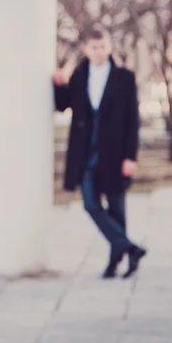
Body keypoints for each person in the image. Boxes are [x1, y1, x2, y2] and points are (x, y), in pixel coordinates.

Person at [53, 27, 147, 279]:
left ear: (109, 47)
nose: (98, 51)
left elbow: (132, 120)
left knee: (117, 208)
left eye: (102, 46)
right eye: (93, 47)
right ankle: (128, 247)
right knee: (90, 203)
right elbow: (63, 105)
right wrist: (59, 83)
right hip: (85, 154)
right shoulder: (79, 76)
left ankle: (115, 261)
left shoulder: (124, 78)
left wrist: (130, 157)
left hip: (115, 154)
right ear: (86, 49)